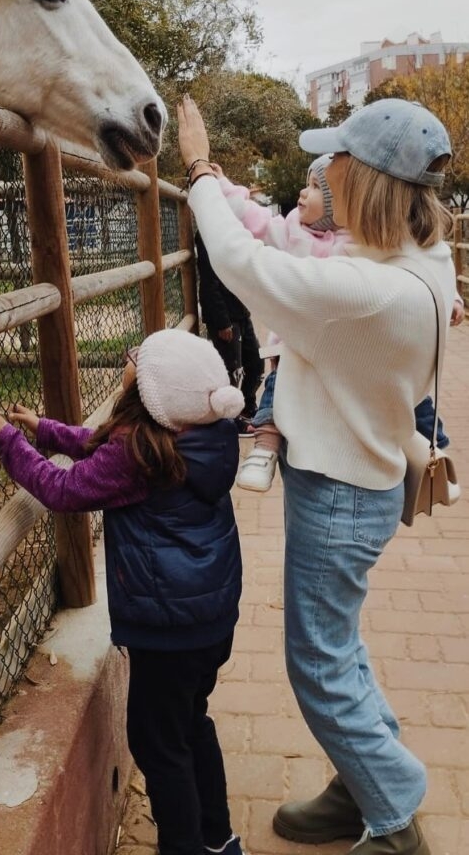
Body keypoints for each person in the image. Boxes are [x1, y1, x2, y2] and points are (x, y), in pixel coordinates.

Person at [179, 95, 456, 855]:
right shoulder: (418, 258)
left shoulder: (363, 294)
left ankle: (393, 821)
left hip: (339, 493)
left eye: (335, 157)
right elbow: (303, 252)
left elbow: (241, 262)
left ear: (359, 179)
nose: (324, 167)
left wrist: (200, 168)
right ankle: (357, 785)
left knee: (318, 665)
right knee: (341, 647)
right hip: (354, 483)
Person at [0, 329, 248, 855]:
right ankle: (218, 840)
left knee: (157, 743)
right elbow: (99, 442)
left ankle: (185, 847)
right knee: (191, 724)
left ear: (152, 396)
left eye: (139, 361)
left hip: (167, 632)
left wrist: (10, 443)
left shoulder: (138, 455)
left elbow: (64, 488)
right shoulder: (199, 437)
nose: (130, 358)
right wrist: (47, 431)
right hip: (209, 621)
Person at [214, 157, 463, 493]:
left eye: (317, 188)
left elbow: (424, 269)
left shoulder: (365, 241)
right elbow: (252, 218)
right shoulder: (292, 232)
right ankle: (265, 449)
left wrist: (454, 300)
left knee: (414, 396)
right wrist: (220, 187)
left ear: (340, 202)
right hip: (294, 344)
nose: (303, 193)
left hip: (357, 350)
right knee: (276, 389)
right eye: (307, 183)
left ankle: (434, 453)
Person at [195, 232, 264, 433]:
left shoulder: (232, 228)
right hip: (225, 317)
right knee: (231, 371)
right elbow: (208, 281)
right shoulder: (208, 233)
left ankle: (246, 406)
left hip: (241, 312)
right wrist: (221, 321)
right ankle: (231, 420)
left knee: (256, 362)